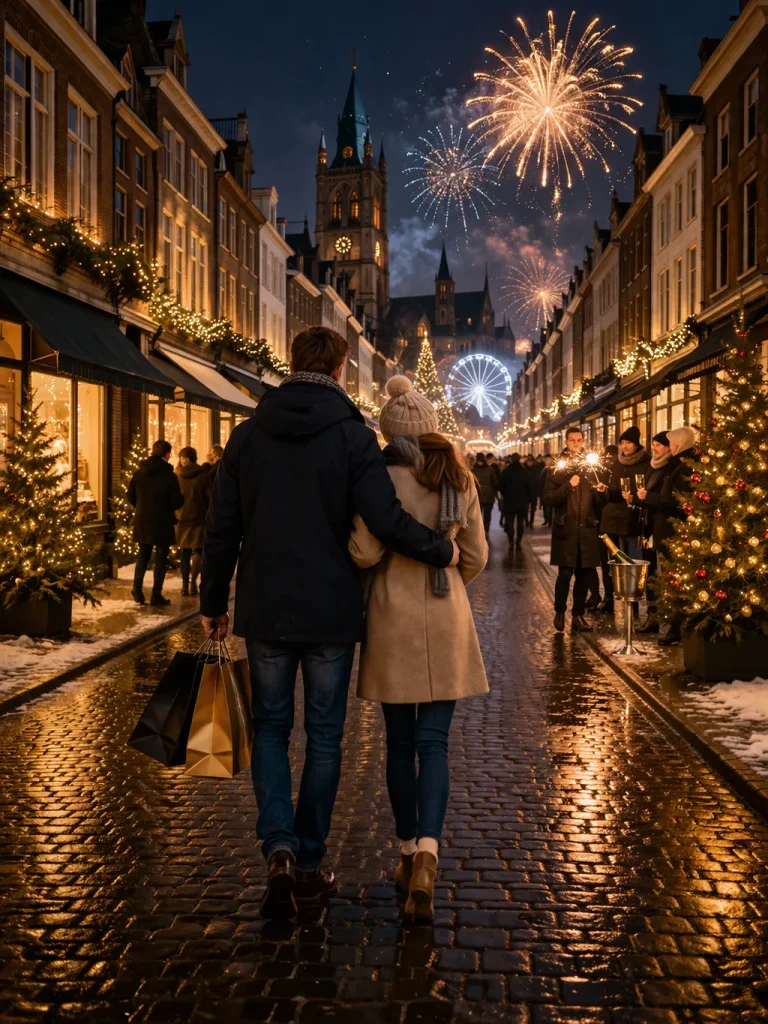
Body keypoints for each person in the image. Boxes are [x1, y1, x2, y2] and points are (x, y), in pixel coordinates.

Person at [199, 326, 459, 921]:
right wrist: (439, 549)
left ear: (291, 365)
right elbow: (385, 519)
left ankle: (280, 849)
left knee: (268, 730)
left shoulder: (247, 436)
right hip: (331, 611)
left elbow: (222, 527)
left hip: (265, 605)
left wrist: (214, 600)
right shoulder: (351, 437)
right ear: (341, 370)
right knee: (322, 736)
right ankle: (311, 861)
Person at [348, 378, 488, 922]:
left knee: (398, 745)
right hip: (445, 617)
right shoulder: (458, 474)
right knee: (435, 745)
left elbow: (362, 552)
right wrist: (448, 586)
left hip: (391, 619)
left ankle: (406, 852)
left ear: (387, 430)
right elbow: (474, 556)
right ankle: (430, 852)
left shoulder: (379, 479)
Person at [637, 425, 697, 646]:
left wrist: (650, 497)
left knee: (675, 581)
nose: (669, 447)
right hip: (666, 530)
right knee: (671, 580)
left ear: (680, 444)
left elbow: (678, 503)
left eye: (671, 443)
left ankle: (676, 626)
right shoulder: (676, 465)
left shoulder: (683, 468)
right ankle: (674, 624)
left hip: (674, 531)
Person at [544, 427, 607, 633]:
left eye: (579, 440)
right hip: (567, 530)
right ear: (566, 441)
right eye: (572, 441)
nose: (576, 444)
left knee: (584, 575)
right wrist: (568, 486)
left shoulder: (591, 467)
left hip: (586, 530)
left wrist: (602, 493)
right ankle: (560, 611)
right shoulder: (557, 468)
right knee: (564, 574)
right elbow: (548, 499)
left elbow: (599, 505)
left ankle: (578, 615)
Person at [599, 426, 651, 613]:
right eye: (622, 442)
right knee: (612, 562)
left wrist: (634, 498)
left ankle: (634, 605)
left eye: (628, 442)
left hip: (634, 520)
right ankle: (611, 597)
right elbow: (613, 493)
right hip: (613, 520)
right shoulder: (616, 463)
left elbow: (646, 492)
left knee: (633, 563)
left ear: (636, 444)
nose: (625, 446)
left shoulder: (647, 463)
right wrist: (606, 491)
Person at [127, 439, 184, 607]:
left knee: (143, 555)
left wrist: (141, 508)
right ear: (166, 454)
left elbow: (130, 495)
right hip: (162, 521)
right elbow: (176, 501)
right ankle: (156, 595)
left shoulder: (139, 473)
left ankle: (137, 587)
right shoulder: (169, 476)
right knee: (160, 559)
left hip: (143, 520)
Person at [635, 431, 673, 634]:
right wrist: (634, 498)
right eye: (653, 445)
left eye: (658, 445)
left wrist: (647, 496)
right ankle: (652, 614)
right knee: (649, 572)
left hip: (660, 527)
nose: (655, 449)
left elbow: (665, 498)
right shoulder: (652, 466)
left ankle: (664, 615)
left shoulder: (669, 468)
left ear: (668, 447)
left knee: (662, 573)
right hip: (646, 526)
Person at [175, 446, 213, 597]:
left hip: (181, 518)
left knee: (185, 551)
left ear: (190, 458)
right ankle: (192, 583)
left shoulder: (176, 476)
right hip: (198, 517)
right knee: (197, 550)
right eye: (181, 458)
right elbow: (209, 496)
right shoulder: (202, 475)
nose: (182, 460)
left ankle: (185, 583)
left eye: (184, 458)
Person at [498, 453, 533, 549]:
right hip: (522, 501)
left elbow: (500, 486)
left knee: (509, 522)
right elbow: (529, 487)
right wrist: (528, 499)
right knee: (520, 522)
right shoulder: (525, 472)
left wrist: (505, 493)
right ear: (519, 459)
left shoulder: (506, 472)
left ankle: (511, 541)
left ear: (511, 459)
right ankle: (518, 541)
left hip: (509, 501)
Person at [472, 453, 498, 536]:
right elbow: (495, 483)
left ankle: (478, 531)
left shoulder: (472, 470)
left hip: (476, 495)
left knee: (476, 515)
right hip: (488, 495)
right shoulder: (490, 469)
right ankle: (486, 530)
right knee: (487, 515)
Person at [524, 454, 542, 527]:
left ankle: (531, 522)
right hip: (527, 492)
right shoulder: (525, 468)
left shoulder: (534, 468)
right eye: (528, 461)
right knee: (526, 508)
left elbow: (538, 480)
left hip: (533, 491)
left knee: (532, 508)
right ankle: (527, 521)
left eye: (530, 461)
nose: (529, 463)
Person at [539, 454, 554, 527]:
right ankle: (546, 520)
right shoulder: (544, 468)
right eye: (545, 459)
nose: (546, 461)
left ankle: (550, 521)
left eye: (547, 460)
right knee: (545, 507)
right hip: (543, 490)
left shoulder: (551, 469)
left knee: (549, 508)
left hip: (549, 491)